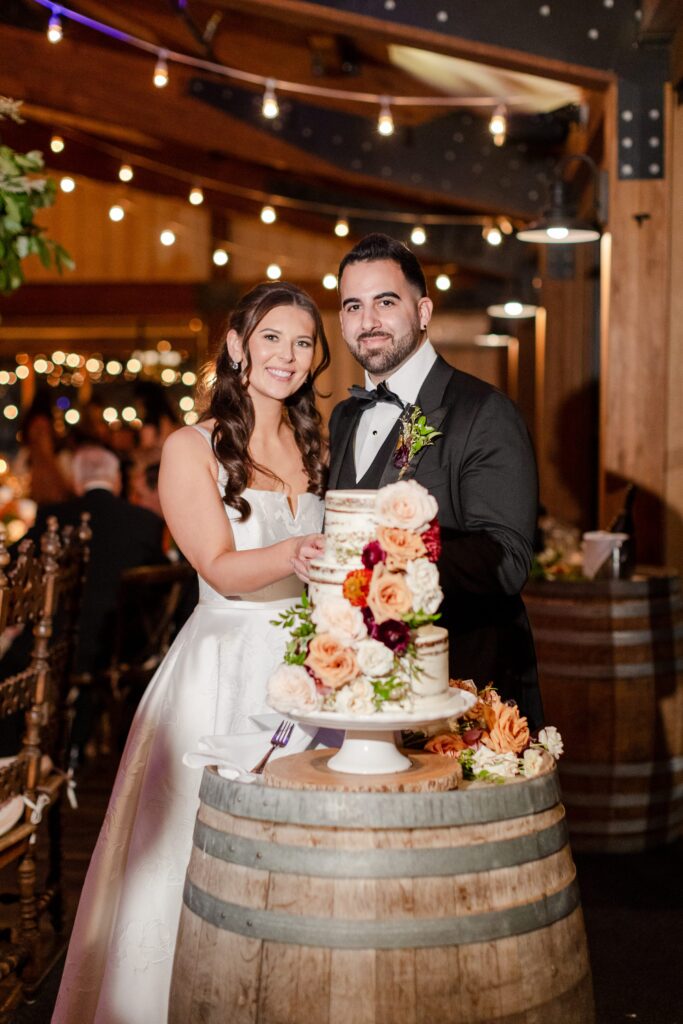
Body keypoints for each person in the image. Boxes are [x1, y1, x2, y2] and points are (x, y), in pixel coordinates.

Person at [52, 282, 328, 1024]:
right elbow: (216, 563)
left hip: (317, 664)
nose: (287, 356)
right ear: (237, 345)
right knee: (197, 851)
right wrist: (300, 548)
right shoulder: (189, 447)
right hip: (227, 662)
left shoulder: (317, 443)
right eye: (272, 338)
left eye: (303, 342)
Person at [327, 233, 542, 729]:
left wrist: (394, 558)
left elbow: (508, 559)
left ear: (423, 311)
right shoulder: (342, 418)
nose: (369, 321)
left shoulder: (484, 412)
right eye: (353, 306)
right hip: (363, 687)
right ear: (341, 321)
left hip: (461, 683)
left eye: (386, 301)